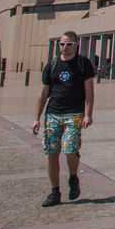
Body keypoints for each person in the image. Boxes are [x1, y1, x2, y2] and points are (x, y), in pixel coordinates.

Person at [32, 30, 95, 207]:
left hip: (74, 113)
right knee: (52, 153)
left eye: (68, 44)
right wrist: (36, 118)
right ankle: (54, 192)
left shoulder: (83, 64)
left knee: (69, 149)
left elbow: (89, 91)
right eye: (61, 44)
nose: (64, 47)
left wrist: (88, 114)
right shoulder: (52, 64)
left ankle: (73, 177)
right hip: (53, 114)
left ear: (76, 45)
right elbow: (44, 92)